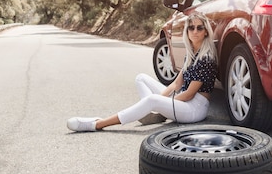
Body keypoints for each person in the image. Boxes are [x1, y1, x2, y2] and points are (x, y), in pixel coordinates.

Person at [67, 12, 218, 132]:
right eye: (191, 27)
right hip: (183, 100)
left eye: (200, 28)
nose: (195, 31)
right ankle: (153, 114)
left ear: (206, 32)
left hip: (195, 109)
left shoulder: (206, 57)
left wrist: (159, 103)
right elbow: (176, 84)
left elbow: (190, 94)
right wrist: (161, 102)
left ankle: (98, 124)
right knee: (141, 78)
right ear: (187, 31)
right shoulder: (191, 54)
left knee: (152, 100)